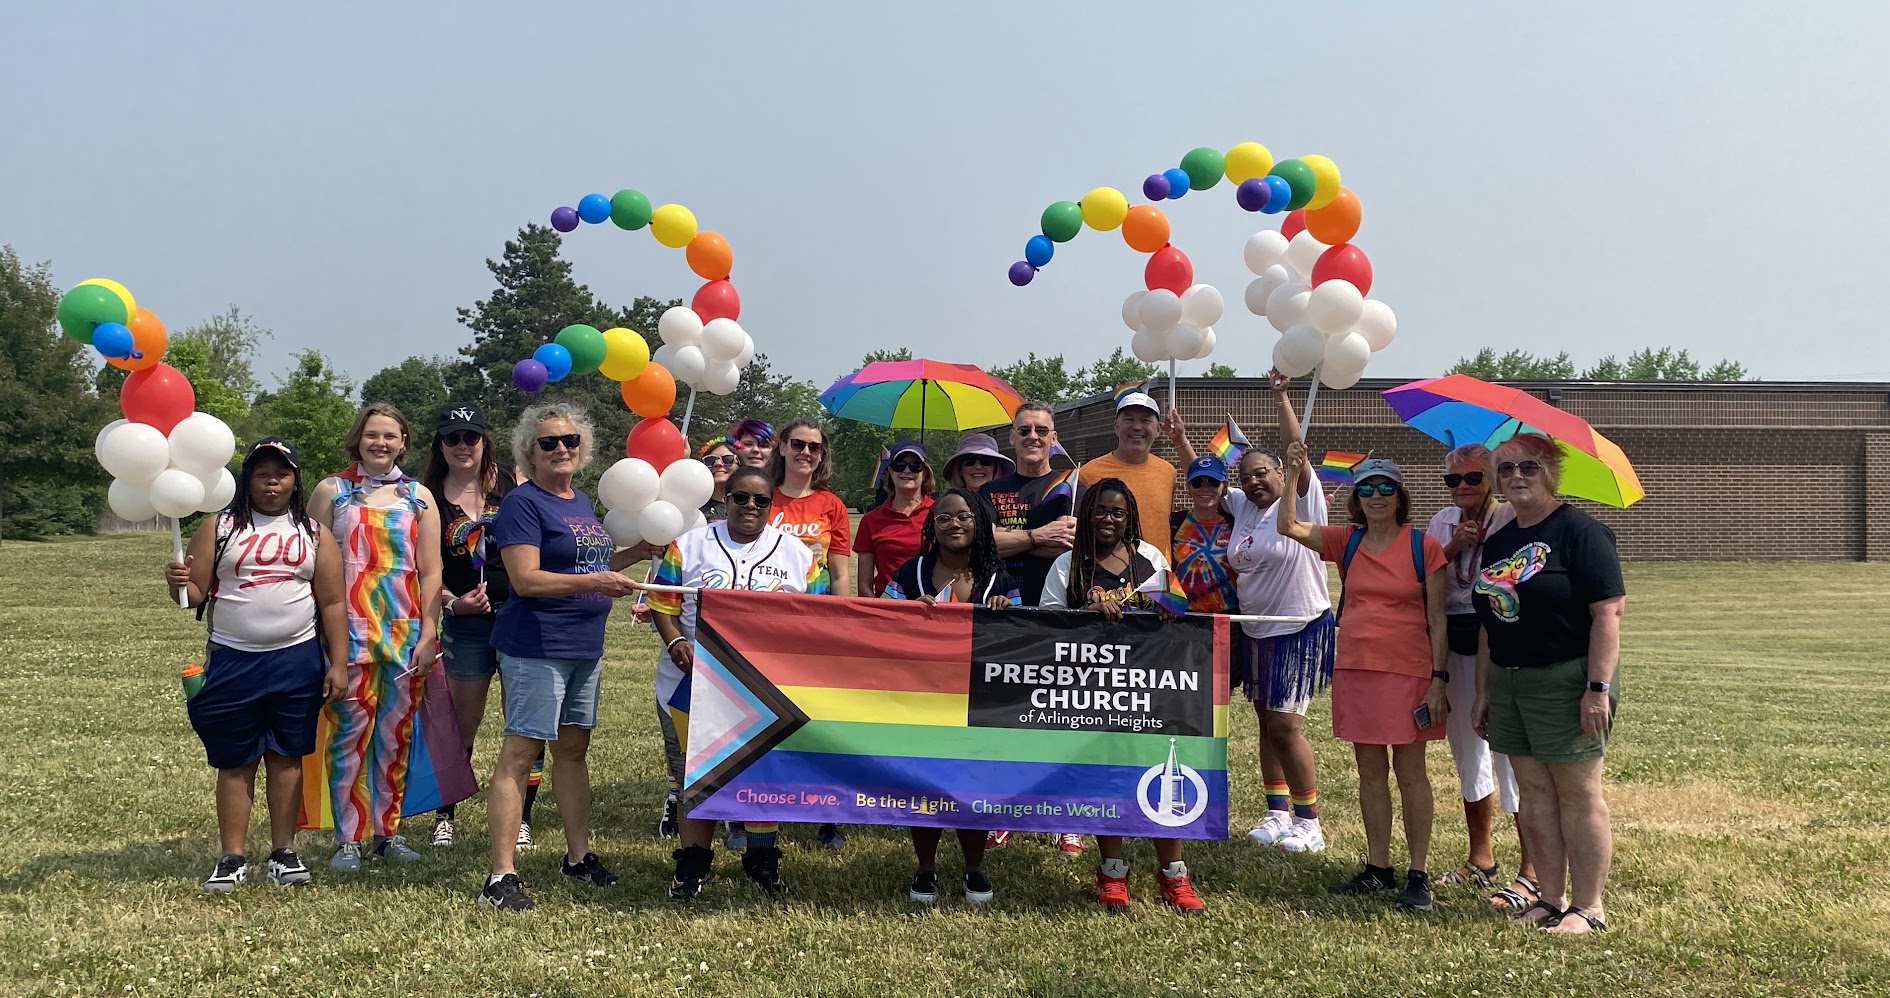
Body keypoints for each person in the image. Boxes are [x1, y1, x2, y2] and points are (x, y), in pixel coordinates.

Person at [477, 403, 638, 911]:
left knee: (572, 752)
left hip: (583, 646)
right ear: (530, 451)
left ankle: (577, 856)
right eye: (548, 442)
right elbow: (527, 579)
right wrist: (597, 582)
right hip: (536, 645)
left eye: (569, 440)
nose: (561, 448)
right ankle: (500, 876)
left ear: (583, 448)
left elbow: (590, 563)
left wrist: (639, 553)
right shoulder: (522, 505)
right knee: (521, 754)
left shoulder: (581, 501)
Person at [166, 437, 346, 892]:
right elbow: (194, 597)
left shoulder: (312, 533)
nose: (272, 482)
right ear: (247, 480)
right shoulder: (219, 527)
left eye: (281, 473)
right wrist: (178, 583)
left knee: (287, 757)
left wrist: (338, 664)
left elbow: (332, 602)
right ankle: (233, 856)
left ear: (294, 481)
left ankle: (283, 852)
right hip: (232, 659)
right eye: (262, 473)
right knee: (235, 760)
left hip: (296, 659)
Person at [1278, 444, 1449, 912]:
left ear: (1399, 496)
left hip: (1410, 673)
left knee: (1410, 774)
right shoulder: (1345, 540)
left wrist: (1439, 679)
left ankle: (1418, 874)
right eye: (1367, 488)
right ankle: (1377, 868)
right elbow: (1287, 526)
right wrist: (1292, 473)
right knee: (1369, 773)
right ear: (1356, 498)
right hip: (1356, 670)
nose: (1375, 496)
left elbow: (1438, 617)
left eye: (1385, 488)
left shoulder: (1424, 547)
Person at [643, 465, 826, 901]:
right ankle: (692, 863)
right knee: (697, 773)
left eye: (760, 500)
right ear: (725, 499)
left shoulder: (798, 554)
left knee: (764, 772)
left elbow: (817, 616)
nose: (750, 506)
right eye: (740, 497)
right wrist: (675, 643)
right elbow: (662, 602)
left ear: (770, 505)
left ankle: (761, 861)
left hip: (766, 688)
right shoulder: (688, 546)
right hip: (694, 684)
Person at [1472, 433, 1625, 935]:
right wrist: (1484, 691)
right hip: (1510, 680)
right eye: (1506, 468)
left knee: (1578, 793)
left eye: (1529, 467)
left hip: (1567, 678)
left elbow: (1608, 614)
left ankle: (1589, 907)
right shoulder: (1498, 540)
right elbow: (1490, 622)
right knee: (1533, 792)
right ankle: (1550, 897)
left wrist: (1597, 688)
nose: (1517, 476)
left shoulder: (1582, 531)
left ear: (1552, 472)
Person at [1042, 479, 1204, 915]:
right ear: (1086, 514)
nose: (1107, 519)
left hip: (1146, 687)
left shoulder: (1148, 558)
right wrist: (1087, 612)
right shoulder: (1067, 565)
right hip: (1091, 693)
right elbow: (1045, 625)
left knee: (1161, 774)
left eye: (1117, 512)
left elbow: (1177, 609)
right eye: (1099, 511)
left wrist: (1163, 604)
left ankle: (1174, 873)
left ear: (1129, 516)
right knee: (1106, 780)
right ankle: (1112, 871)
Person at [307, 403, 443, 871]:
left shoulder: (420, 498)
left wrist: (430, 633)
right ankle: (349, 834)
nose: (380, 444)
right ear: (357, 439)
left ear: (404, 442)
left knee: (395, 736)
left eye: (390, 436)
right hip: (349, 636)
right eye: (372, 435)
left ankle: (388, 830)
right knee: (348, 735)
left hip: (405, 636)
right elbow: (312, 566)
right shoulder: (333, 491)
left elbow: (431, 569)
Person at [882, 488, 1019, 904]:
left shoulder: (1000, 578)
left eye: (963, 517)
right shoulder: (912, 572)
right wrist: (908, 612)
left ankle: (974, 868)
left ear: (979, 524)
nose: (954, 524)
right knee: (924, 785)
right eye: (943, 518)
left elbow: (1023, 643)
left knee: (973, 786)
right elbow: (880, 625)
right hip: (922, 697)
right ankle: (926, 869)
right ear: (932, 526)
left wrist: (1005, 613)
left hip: (979, 700)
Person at [421, 403, 545, 852]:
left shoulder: (511, 488)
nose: (462, 446)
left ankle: (524, 818)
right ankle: (445, 813)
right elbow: (422, 569)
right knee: (462, 723)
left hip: (518, 619)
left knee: (525, 722)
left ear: (483, 442)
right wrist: (455, 605)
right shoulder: (428, 496)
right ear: (441, 445)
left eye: (470, 437)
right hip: (466, 625)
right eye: (452, 438)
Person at [1224, 373, 1334, 855]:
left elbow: (1298, 451)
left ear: (1281, 471)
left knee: (1287, 725)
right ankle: (1276, 812)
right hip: (1256, 630)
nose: (1253, 481)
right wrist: (1182, 442)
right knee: (1266, 722)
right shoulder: (1245, 508)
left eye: (1262, 472)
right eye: (1245, 475)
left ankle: (1310, 823)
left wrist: (1282, 398)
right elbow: (1203, 480)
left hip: (1298, 626)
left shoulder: (1302, 495)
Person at [1423, 444, 1529, 903]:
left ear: (1491, 478)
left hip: (1502, 642)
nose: (1463, 487)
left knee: (1513, 754)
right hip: (1456, 644)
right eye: (1454, 480)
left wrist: (1486, 542)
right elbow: (1425, 579)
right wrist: (1453, 547)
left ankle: (1533, 867)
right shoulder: (1440, 523)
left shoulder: (1511, 517)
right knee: (1468, 750)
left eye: (1472, 478)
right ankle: (1481, 857)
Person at [979, 401, 1083, 856]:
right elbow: (982, 546)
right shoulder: (991, 491)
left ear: (1054, 436)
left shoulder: (1071, 487)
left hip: (1058, 607)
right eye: (1024, 430)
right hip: (1003, 608)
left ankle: (1066, 815)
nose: (1033, 437)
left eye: (1042, 430)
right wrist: (1040, 537)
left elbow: (1073, 545)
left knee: (1062, 713)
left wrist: (1014, 542)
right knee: (1006, 713)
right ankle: (1006, 810)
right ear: (1011, 438)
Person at [766, 416, 852, 850]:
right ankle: (755, 812)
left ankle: (828, 813)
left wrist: (838, 625)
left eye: (815, 448)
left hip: (814, 626)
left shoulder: (832, 505)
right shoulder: (762, 497)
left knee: (819, 719)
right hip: (762, 628)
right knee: (766, 716)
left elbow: (840, 572)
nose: (806, 453)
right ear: (781, 447)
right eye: (798, 444)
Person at [1079, 392, 1179, 554]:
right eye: (1129, 419)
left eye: (1145, 420)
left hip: (1157, 574)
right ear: (1116, 427)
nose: (1137, 426)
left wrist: (1181, 440)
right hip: (1105, 573)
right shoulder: (1088, 474)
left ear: (1159, 429)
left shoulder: (1168, 472)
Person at [854, 440, 935, 598]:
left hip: (932, 608)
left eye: (915, 465)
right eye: (900, 465)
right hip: (888, 609)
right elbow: (864, 586)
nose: (906, 470)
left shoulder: (939, 514)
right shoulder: (870, 520)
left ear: (924, 472)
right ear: (891, 472)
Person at [1171, 456, 1237, 615]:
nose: (1205, 488)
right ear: (1188, 487)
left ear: (1224, 487)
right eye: (1198, 482)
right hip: (1184, 618)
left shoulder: (1236, 524)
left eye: (1213, 482)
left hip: (1227, 619)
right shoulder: (1174, 523)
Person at [942, 432, 1014, 492]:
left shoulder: (1008, 506)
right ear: (960, 469)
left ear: (995, 468)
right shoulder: (949, 506)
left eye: (986, 460)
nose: (978, 466)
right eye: (969, 460)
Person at [695, 436, 739, 522]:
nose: (718, 464)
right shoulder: (694, 505)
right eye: (710, 460)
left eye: (727, 459)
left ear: (740, 463)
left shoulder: (750, 505)